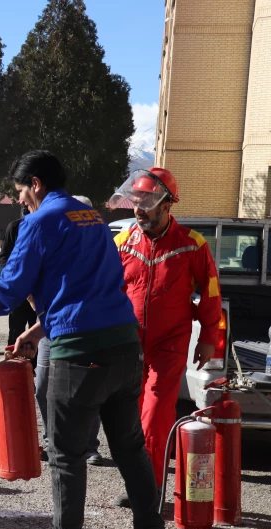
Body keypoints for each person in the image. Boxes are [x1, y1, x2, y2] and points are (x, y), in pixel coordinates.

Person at [0, 150, 169, 529]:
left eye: (22, 191)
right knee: (131, 451)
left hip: (79, 355)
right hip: (123, 346)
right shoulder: (93, 217)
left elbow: (9, 288)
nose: (21, 199)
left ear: (37, 184)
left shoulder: (39, 221)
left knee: (66, 454)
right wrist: (38, 330)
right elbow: (89, 286)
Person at [110, 168, 221, 506]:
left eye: (146, 202)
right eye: (136, 202)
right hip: (129, 344)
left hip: (169, 344)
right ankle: (137, 483)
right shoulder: (122, 242)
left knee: (156, 414)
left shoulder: (192, 244)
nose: (139, 209)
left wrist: (208, 341)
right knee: (130, 417)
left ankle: (150, 489)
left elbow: (212, 293)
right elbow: (104, 290)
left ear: (166, 206)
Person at [33, 195, 103, 466]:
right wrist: (39, 317)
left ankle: (88, 446)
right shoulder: (51, 244)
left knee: (87, 389)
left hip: (88, 330)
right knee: (43, 386)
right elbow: (30, 283)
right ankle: (53, 440)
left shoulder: (98, 249)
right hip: (51, 329)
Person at [0, 210, 37, 346]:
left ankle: (34, 367)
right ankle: (13, 366)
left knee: (37, 335)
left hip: (40, 292)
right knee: (15, 333)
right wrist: (16, 279)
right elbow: (4, 257)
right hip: (18, 290)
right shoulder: (14, 227)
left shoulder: (49, 228)